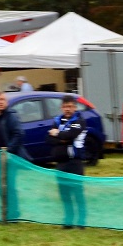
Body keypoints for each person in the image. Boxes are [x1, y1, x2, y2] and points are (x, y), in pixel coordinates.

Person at [46, 95, 88, 229]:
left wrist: (58, 134)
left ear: (75, 107)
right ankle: (68, 220)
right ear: (61, 107)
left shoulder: (79, 121)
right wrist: (61, 137)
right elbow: (49, 140)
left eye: (70, 106)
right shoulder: (57, 120)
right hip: (61, 162)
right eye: (65, 107)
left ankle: (81, 221)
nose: (68, 109)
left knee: (77, 192)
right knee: (64, 193)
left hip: (75, 162)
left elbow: (69, 135)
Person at [0, 92, 26, 219]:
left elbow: (19, 133)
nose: (1, 101)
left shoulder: (11, 116)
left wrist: (9, 151)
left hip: (9, 158)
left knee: (10, 187)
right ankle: (4, 213)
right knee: (0, 187)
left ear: (6, 102)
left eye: (3, 99)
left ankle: (13, 214)